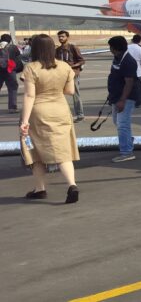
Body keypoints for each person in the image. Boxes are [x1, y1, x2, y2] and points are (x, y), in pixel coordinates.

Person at [19, 35, 80, 203]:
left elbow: (30, 95)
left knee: (35, 152)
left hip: (39, 112)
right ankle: (72, 184)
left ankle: (40, 189)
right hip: (61, 110)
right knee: (63, 151)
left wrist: (24, 121)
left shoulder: (31, 68)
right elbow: (70, 91)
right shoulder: (64, 66)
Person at [107, 36, 141, 163]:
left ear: (115, 48)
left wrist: (122, 100)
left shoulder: (128, 61)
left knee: (122, 125)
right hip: (116, 95)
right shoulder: (117, 58)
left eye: (111, 47)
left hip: (127, 97)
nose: (110, 49)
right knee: (117, 122)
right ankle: (128, 140)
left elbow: (129, 82)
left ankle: (126, 152)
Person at [55, 30, 86, 122]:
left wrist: (72, 66)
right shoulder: (57, 50)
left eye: (63, 36)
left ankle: (80, 115)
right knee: (58, 94)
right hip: (61, 75)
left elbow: (82, 61)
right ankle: (61, 115)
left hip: (73, 74)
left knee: (75, 94)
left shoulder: (73, 47)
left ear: (67, 37)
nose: (61, 38)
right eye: (59, 37)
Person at [0, 33, 22, 113]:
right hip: (10, 70)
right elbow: (18, 58)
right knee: (12, 88)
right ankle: (12, 108)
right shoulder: (13, 47)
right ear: (9, 40)